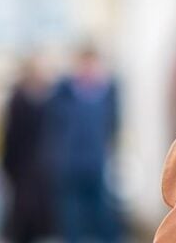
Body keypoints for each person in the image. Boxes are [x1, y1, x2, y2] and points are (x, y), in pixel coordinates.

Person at [45, 46, 122, 242]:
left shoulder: (107, 93)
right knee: (72, 218)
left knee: (102, 214)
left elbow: (112, 126)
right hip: (71, 164)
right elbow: (54, 126)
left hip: (96, 163)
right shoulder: (64, 94)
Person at [1, 57, 55, 243]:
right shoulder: (18, 101)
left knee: (40, 220)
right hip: (23, 171)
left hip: (40, 170)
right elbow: (10, 138)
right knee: (23, 219)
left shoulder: (47, 102)